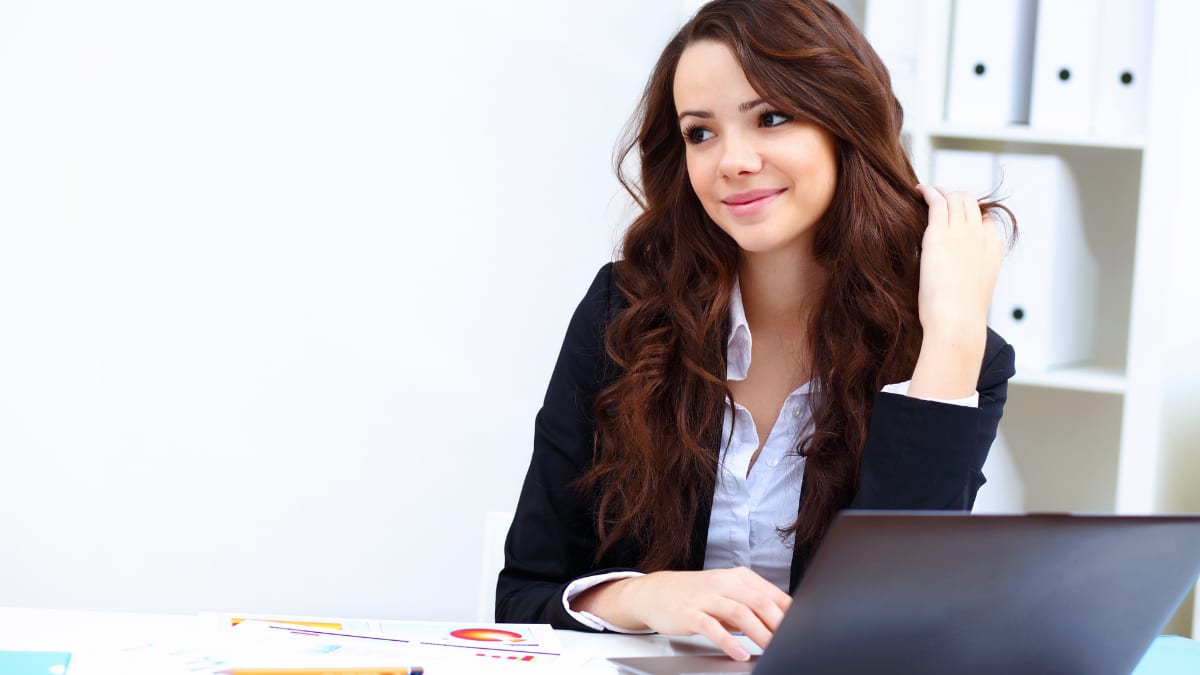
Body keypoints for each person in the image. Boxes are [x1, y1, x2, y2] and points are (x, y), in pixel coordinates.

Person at [496, 0, 1016, 663]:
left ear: (844, 123)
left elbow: (897, 628)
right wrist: (646, 596)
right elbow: (524, 594)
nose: (732, 161)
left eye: (771, 118)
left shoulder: (955, 354)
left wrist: (952, 335)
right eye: (700, 133)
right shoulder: (623, 313)